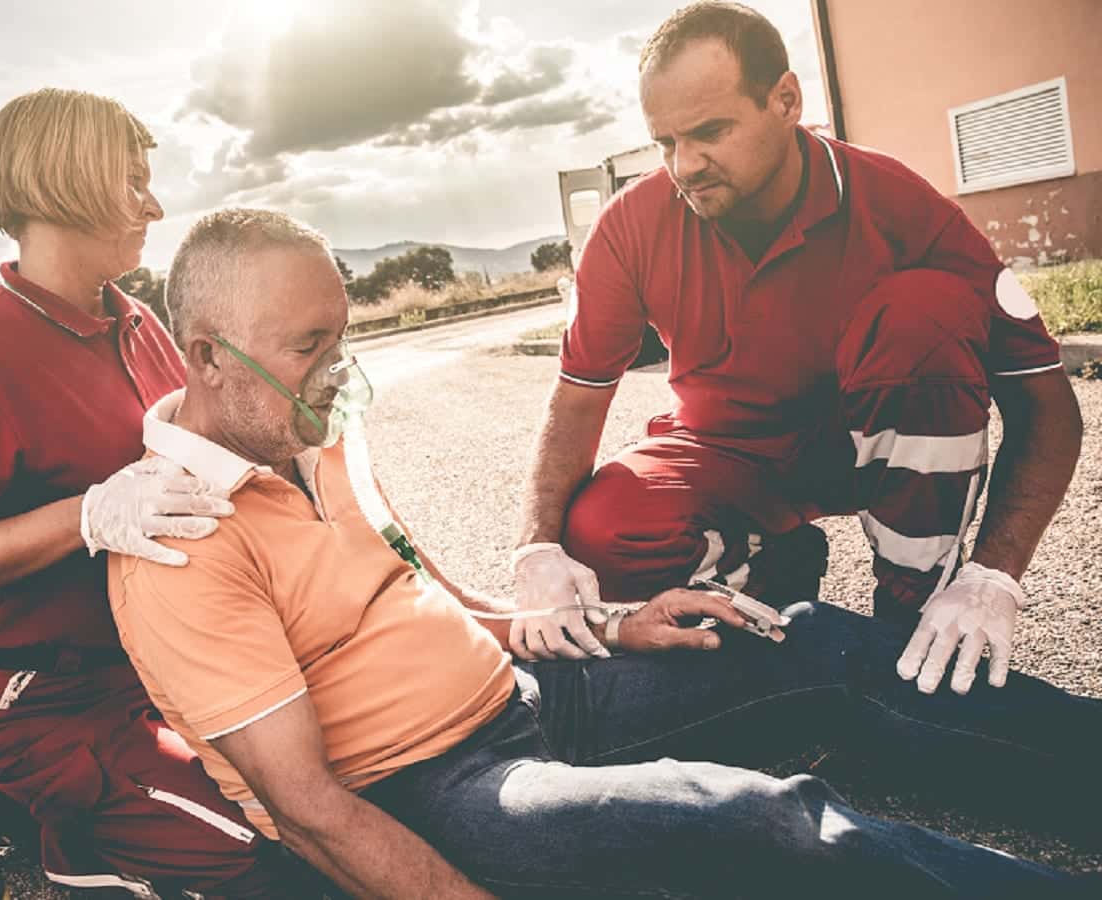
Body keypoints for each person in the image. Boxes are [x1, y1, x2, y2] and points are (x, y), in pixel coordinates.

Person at [106, 207, 1095, 898]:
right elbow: (313, 810)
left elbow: (434, 593)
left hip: (534, 698)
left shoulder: (308, 436)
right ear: (202, 355)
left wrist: (621, 625)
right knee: (753, 818)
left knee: (805, 641)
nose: (337, 370)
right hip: (446, 792)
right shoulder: (174, 546)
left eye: (342, 336)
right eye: (307, 345)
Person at [513, 2, 1084, 705]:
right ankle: (773, 571)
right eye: (664, 142)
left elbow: (1046, 402)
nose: (684, 166)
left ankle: (912, 606)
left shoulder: (901, 205)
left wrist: (993, 575)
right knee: (601, 532)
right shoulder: (630, 227)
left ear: (786, 100)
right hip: (730, 453)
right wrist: (535, 547)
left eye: (710, 132)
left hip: (870, 445)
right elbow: (577, 394)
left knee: (924, 317)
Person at [0, 89, 299, 898]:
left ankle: (82, 841)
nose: (156, 205)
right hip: (43, 701)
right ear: (66, 182)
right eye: (133, 181)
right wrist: (86, 515)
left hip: (163, 664)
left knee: (345, 786)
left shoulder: (137, 321)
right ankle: (74, 831)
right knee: (269, 850)